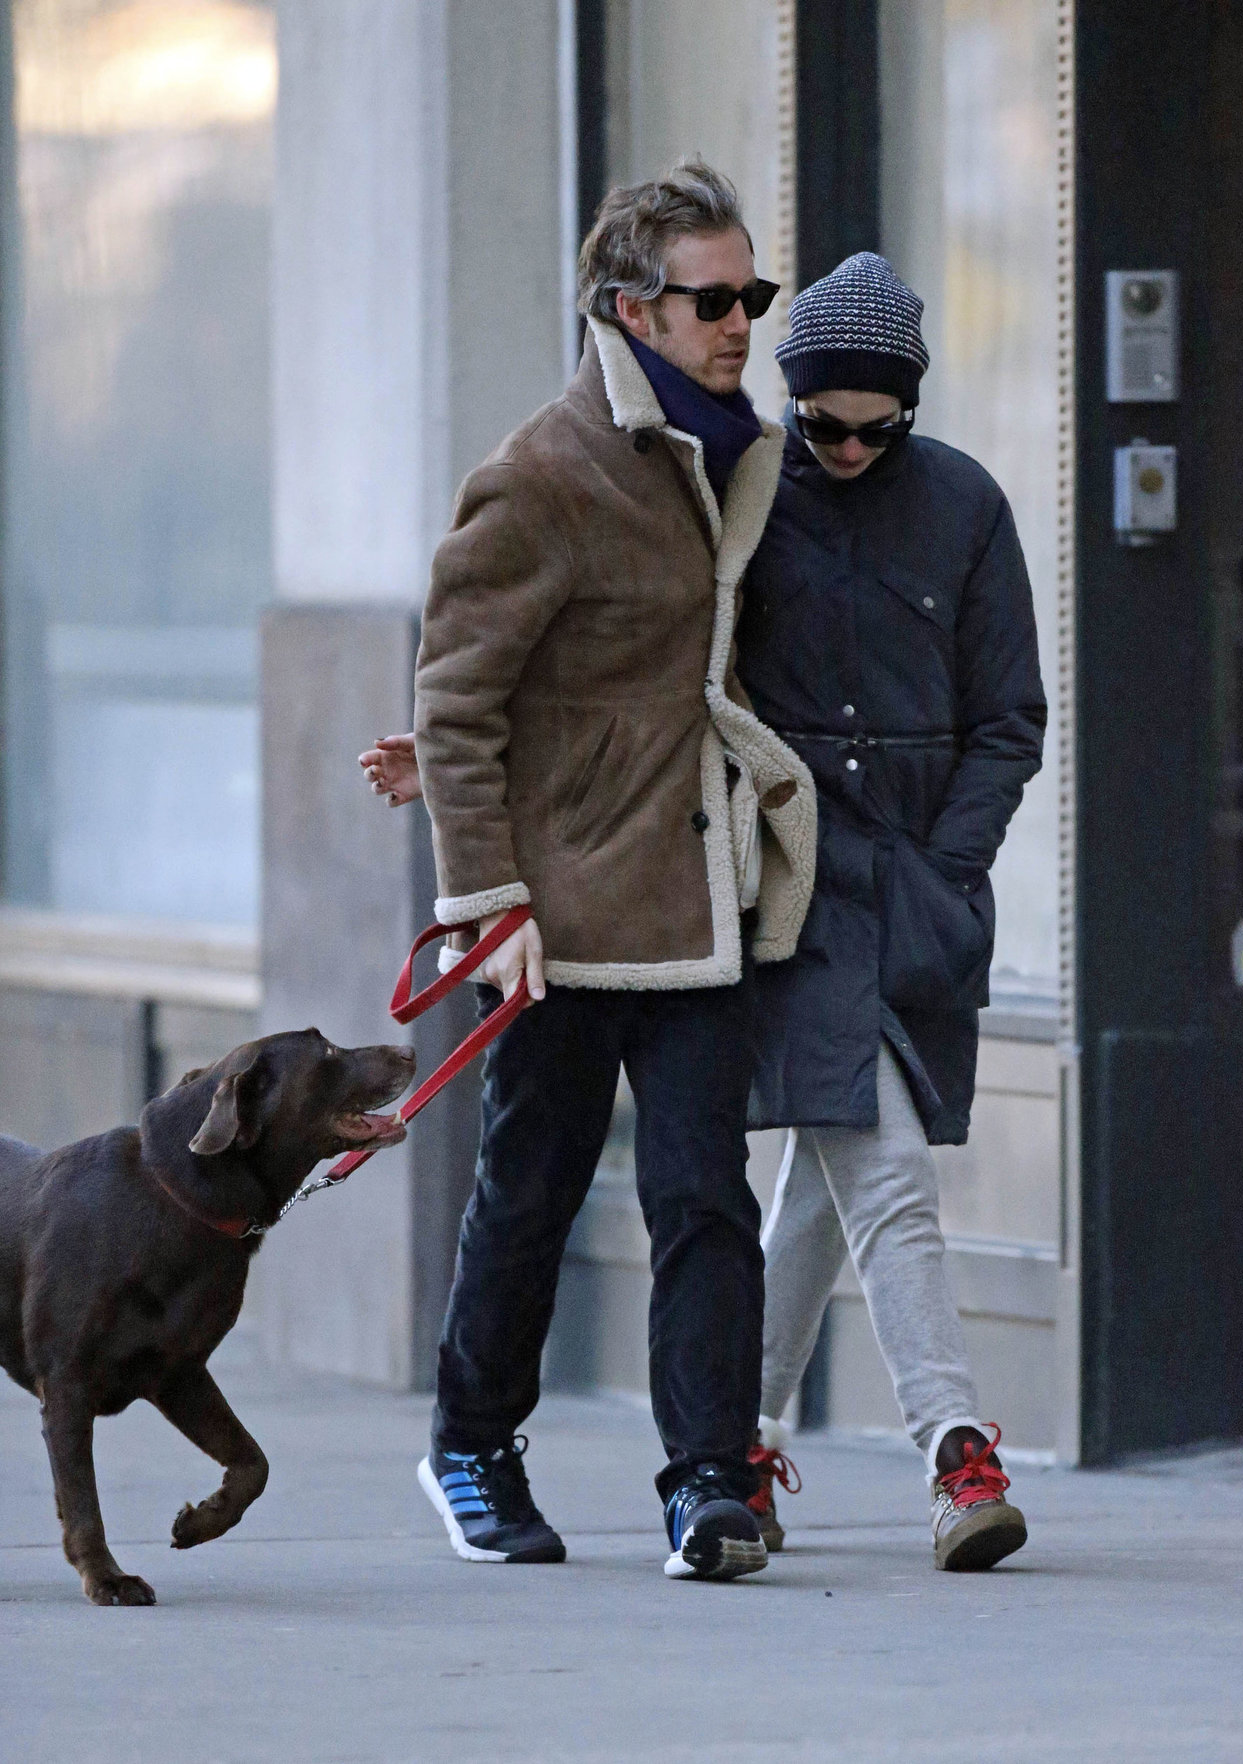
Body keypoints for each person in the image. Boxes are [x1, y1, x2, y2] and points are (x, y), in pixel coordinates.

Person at [358, 161, 816, 1582]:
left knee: (703, 1200)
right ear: (631, 307)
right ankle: (470, 1445)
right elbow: (459, 693)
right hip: (555, 919)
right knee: (531, 1186)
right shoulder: (546, 470)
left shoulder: (745, 452)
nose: (741, 321)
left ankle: (709, 1483)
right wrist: (487, 902)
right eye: (713, 299)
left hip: (696, 893)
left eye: (753, 294)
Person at [736, 252, 1047, 1571]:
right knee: (891, 1167)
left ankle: (728, 1440)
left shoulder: (965, 506)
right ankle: (952, 1446)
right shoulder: (741, 495)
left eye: (877, 426)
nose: (848, 446)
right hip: (791, 885)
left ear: (908, 412)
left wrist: (948, 873)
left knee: (824, 1171)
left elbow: (1007, 719)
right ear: (791, 401)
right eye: (823, 423)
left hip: (913, 896)